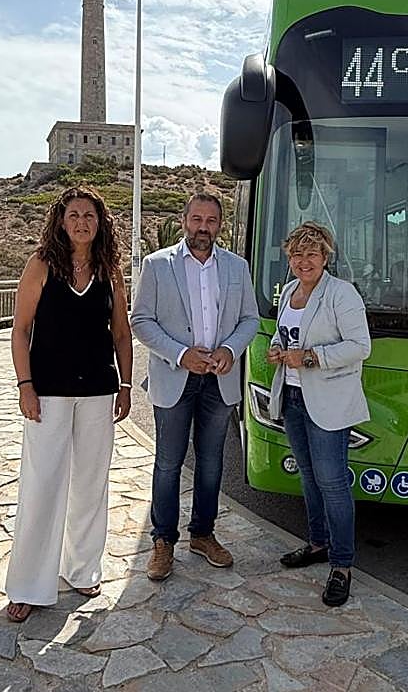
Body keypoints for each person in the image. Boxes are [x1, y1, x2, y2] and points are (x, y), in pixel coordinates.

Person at [4, 186, 132, 623]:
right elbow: (21, 330)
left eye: (90, 216)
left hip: (98, 390)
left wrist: (127, 384)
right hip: (49, 392)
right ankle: (27, 584)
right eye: (74, 215)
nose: (82, 222)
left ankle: (82, 569)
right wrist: (25, 385)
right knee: (42, 485)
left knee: (90, 484)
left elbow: (121, 333)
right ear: (62, 221)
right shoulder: (41, 264)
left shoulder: (109, 270)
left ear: (100, 224)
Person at [131, 192, 260, 581]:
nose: (204, 227)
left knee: (211, 463)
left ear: (221, 225)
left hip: (219, 381)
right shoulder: (157, 266)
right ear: (184, 219)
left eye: (212, 221)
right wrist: (180, 353)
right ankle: (163, 541)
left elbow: (250, 320)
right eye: (197, 219)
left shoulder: (238, 268)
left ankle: (203, 534)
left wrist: (230, 349)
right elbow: (141, 321)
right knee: (169, 463)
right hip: (175, 378)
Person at [268, 222, 371, 607]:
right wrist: (279, 349)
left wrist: (311, 358)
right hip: (294, 396)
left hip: (328, 401)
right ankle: (317, 544)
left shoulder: (341, 294)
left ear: (325, 257)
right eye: (297, 254)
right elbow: (286, 334)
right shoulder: (290, 292)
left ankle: (342, 565)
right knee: (309, 477)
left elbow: (360, 346)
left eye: (312, 254)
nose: (303, 261)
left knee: (332, 483)